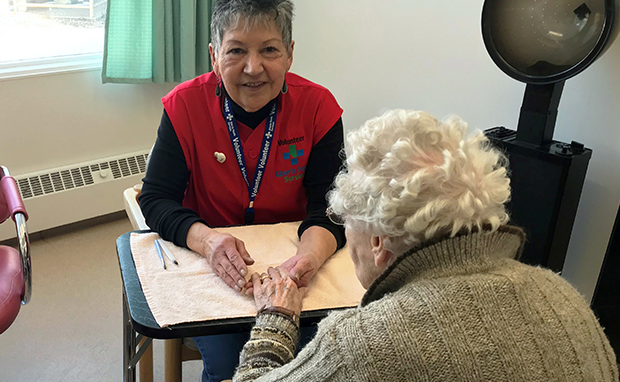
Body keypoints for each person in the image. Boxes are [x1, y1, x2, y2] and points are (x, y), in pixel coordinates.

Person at [233, 109, 618, 381]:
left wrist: (277, 317)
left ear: (378, 241)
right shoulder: (563, 293)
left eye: (348, 227)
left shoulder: (363, 343)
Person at [137, 0, 345, 381]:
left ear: (289, 53)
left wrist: (307, 260)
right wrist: (209, 241)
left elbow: (333, 205)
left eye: (269, 49)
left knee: (319, 356)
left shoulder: (318, 107)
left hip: (294, 260)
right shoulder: (184, 105)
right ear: (215, 56)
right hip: (213, 264)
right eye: (236, 51)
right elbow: (157, 198)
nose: (253, 68)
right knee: (230, 365)